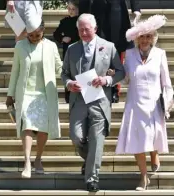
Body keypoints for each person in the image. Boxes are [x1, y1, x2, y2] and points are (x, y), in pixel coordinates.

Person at [61, 13, 125, 192]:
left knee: (97, 140)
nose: (83, 33)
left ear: (95, 29)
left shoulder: (109, 47)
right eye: (80, 30)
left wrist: (106, 80)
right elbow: (64, 73)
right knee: (76, 136)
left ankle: (92, 178)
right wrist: (68, 83)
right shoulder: (72, 49)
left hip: (100, 100)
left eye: (86, 29)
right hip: (79, 100)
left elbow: (120, 71)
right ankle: (90, 161)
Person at [115, 15, 174, 191]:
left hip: (154, 105)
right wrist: (114, 73)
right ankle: (143, 177)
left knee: (152, 137)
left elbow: (167, 83)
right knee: (137, 141)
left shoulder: (160, 54)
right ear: (136, 38)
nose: (145, 40)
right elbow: (125, 79)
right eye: (142, 36)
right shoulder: (130, 55)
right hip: (135, 104)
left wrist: (168, 99)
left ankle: (155, 153)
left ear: (153, 38)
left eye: (148, 36)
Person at [5, 13, 62, 179]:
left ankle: (38, 159)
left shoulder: (51, 46)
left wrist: (71, 76)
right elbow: (15, 71)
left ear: (43, 30)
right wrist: (10, 94)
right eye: (31, 35)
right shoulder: (20, 46)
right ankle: (27, 162)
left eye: (38, 35)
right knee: (27, 125)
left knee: (43, 130)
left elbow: (59, 67)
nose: (35, 38)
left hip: (45, 94)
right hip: (26, 93)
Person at [79, 0, 141, 103]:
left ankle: (114, 89)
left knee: (115, 51)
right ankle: (93, 88)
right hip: (96, 9)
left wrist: (136, 8)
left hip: (116, 10)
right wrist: (82, 12)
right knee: (95, 47)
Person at [53, 0, 80, 103]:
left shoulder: (80, 21)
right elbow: (56, 34)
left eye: (73, 9)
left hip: (79, 50)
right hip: (67, 51)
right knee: (68, 72)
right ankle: (68, 95)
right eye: (69, 9)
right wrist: (62, 38)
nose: (71, 11)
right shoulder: (64, 21)